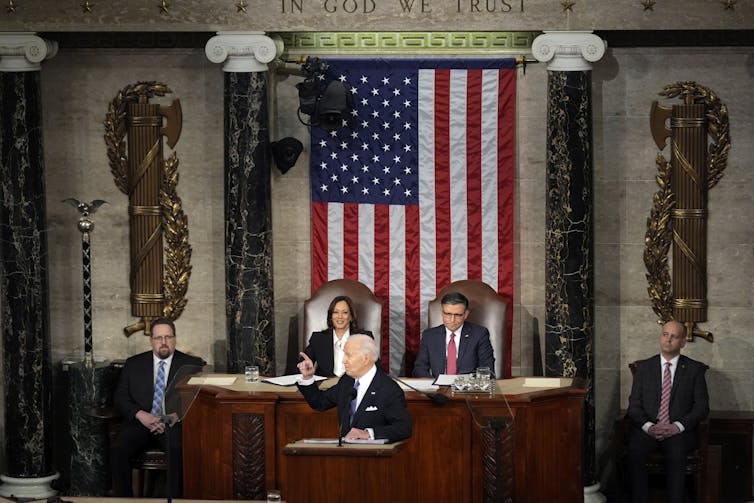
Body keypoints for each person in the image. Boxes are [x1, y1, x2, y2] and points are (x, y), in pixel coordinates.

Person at [111, 317, 204, 497]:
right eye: (158, 338)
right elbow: (120, 398)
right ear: (151, 340)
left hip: (172, 423)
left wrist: (174, 416)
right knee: (118, 449)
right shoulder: (134, 364)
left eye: (168, 337)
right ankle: (124, 500)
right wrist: (140, 415)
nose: (163, 342)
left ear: (175, 339)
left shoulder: (191, 365)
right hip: (140, 421)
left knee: (178, 448)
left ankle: (174, 499)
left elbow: (195, 398)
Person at [626, 320, 709, 503]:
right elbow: (634, 405)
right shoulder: (645, 368)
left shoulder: (694, 370)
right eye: (665, 334)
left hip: (678, 431)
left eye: (674, 336)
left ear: (682, 342)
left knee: (677, 453)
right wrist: (648, 427)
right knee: (634, 450)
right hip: (649, 427)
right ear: (660, 337)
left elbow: (701, 407)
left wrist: (677, 427)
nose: (668, 340)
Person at [297, 334, 411, 443]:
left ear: (365, 358)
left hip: (374, 458)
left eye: (349, 355)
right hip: (345, 455)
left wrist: (368, 434)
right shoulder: (347, 381)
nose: (343, 361)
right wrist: (308, 378)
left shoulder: (388, 388)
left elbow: (403, 428)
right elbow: (320, 403)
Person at [413, 291, 495, 378]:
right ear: (442, 312)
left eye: (457, 315)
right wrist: (433, 384)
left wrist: (464, 383)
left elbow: (487, 370)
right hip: (437, 388)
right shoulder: (429, 336)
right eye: (448, 314)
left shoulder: (480, 334)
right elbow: (419, 368)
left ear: (466, 314)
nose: (452, 320)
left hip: (467, 388)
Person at [303, 295, 374, 377]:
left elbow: (375, 368)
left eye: (345, 312)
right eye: (335, 312)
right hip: (326, 386)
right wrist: (305, 368)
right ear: (331, 316)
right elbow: (302, 366)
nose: (340, 316)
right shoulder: (318, 339)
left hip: (355, 385)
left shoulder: (364, 338)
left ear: (351, 316)